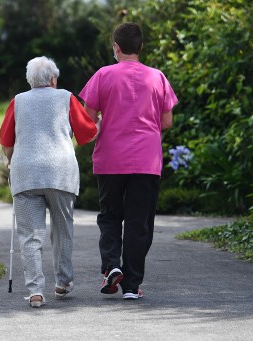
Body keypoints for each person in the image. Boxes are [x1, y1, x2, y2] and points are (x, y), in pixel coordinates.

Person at [79, 23, 178, 300]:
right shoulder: (157, 77)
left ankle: (112, 266)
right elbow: (167, 121)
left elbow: (88, 118)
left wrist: (105, 120)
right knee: (138, 222)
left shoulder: (103, 75)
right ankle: (132, 286)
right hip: (146, 161)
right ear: (141, 47)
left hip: (110, 158)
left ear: (116, 47)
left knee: (110, 216)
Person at [0, 56, 99, 307]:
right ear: (53, 79)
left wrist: (10, 159)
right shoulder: (66, 97)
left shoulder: (18, 101)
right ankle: (62, 282)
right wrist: (100, 121)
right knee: (62, 229)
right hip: (60, 173)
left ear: (29, 80)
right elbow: (87, 133)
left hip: (26, 173)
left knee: (30, 235)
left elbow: (6, 141)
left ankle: (35, 291)